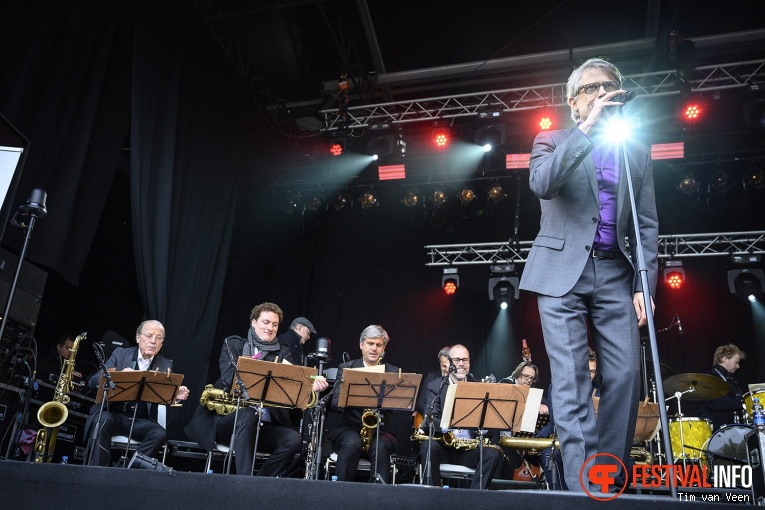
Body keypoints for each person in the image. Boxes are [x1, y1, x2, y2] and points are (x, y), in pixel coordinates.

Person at [519, 57, 659, 492]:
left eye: (610, 87)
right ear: (573, 101)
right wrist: (586, 131)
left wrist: (643, 283)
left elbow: (646, 223)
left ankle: (607, 478)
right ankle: (585, 487)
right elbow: (543, 184)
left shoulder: (633, 150)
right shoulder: (552, 139)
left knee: (624, 375)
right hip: (561, 273)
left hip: (615, 273)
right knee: (572, 376)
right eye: (593, 88)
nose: (603, 93)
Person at [185, 302, 328, 476]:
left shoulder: (283, 352)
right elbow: (228, 377)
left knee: (293, 439)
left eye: (275, 325)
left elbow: (293, 380)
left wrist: (309, 385)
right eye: (265, 322)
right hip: (230, 421)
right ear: (253, 322)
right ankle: (244, 480)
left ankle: (259, 482)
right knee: (248, 414)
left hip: (264, 425)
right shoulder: (234, 344)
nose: (270, 328)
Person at [86, 320, 190, 466]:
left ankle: (130, 471)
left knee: (159, 434)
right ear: (138, 337)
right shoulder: (120, 354)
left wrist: (175, 396)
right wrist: (119, 376)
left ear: (162, 343)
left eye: (158, 338)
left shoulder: (166, 364)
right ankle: (98, 470)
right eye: (148, 336)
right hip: (114, 414)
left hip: (140, 420)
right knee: (102, 420)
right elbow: (93, 381)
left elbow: (165, 395)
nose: (153, 341)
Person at [419, 344, 503, 489]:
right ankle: (433, 495)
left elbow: (490, 428)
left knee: (492, 454)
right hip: (444, 448)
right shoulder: (435, 386)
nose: (461, 364)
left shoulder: (480, 387)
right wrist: (453, 423)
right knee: (428, 446)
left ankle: (474, 499)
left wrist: (479, 428)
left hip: (469, 451)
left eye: (465, 360)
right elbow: (431, 421)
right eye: (457, 360)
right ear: (449, 362)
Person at [329, 325, 398, 483]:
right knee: (352, 444)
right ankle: (341, 494)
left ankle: (378, 499)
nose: (374, 348)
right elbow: (335, 403)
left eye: (378, 345)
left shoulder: (393, 372)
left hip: (382, 430)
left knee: (381, 449)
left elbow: (396, 408)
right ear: (361, 345)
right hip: (349, 428)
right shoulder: (347, 368)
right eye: (370, 343)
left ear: (384, 348)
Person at [537, 347, 602, 489]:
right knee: (549, 456)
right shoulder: (557, 388)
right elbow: (556, 420)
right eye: (586, 371)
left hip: (596, 444)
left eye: (592, 372)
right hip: (568, 440)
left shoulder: (601, 390)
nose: (589, 376)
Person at [699, 344, 746, 431]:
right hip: (716, 430)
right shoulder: (708, 377)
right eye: (736, 362)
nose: (738, 366)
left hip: (734, 428)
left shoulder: (731, 379)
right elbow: (715, 403)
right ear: (724, 358)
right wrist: (744, 403)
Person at [415, 346, 451, 416]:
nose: (447, 370)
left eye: (449, 366)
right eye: (444, 366)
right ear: (440, 364)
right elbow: (421, 403)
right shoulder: (431, 377)